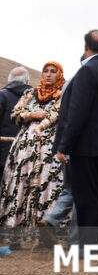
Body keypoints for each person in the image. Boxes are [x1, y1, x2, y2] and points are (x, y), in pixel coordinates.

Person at [54, 31, 98, 243]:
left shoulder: (87, 70)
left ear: (86, 46)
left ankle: (82, 245)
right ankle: (91, 243)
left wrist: (64, 145)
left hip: (85, 146)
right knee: (97, 196)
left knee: (83, 197)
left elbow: (78, 112)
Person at [0, 62, 65, 234]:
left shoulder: (62, 95)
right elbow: (15, 114)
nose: (48, 75)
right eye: (45, 71)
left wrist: (40, 125)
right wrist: (32, 115)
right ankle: (17, 228)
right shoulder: (30, 93)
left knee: (45, 183)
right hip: (24, 147)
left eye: (53, 72)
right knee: (21, 182)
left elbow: (55, 115)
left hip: (49, 146)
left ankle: (44, 228)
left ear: (59, 74)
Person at [0, 67, 32, 170]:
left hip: (3, 150)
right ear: (27, 81)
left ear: (9, 80)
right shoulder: (34, 99)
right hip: (25, 154)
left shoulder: (2, 95)